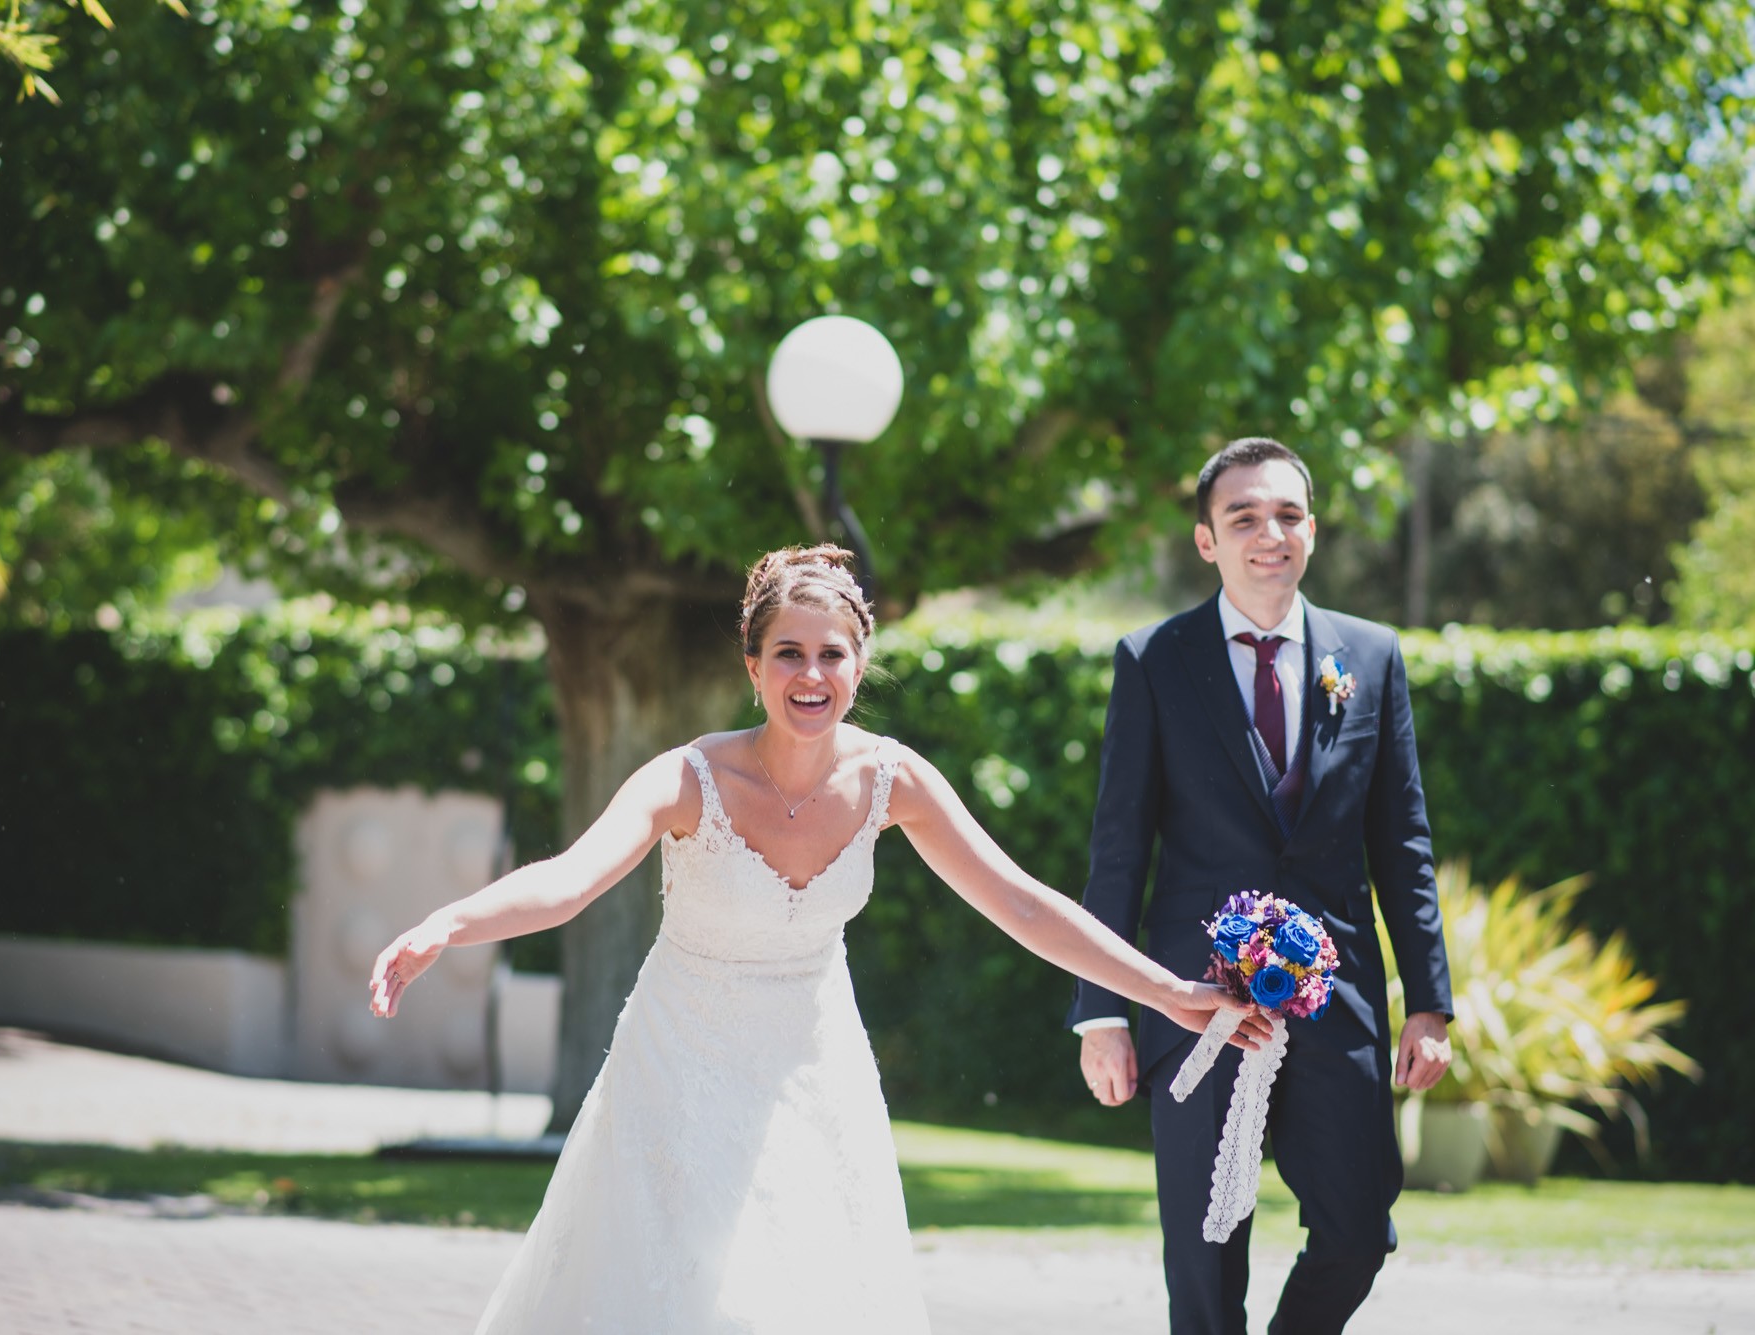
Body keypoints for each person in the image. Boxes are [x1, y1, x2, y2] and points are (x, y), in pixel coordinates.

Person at [371, 544, 1270, 1334]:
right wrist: (448, 923)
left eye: (831, 653)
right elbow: (570, 880)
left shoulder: (893, 778)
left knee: (805, 1295)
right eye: (789, 653)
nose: (812, 674)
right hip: (678, 1067)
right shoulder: (687, 777)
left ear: (859, 661)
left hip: (814, 1068)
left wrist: (1167, 992)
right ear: (753, 666)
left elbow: (1022, 904)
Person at [1067, 438, 1457, 1335]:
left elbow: (1402, 842)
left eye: (1287, 514)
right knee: (1204, 1263)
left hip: (1338, 1001)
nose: (1268, 533)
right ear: (1207, 540)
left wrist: (1429, 1001)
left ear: (1312, 530)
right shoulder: (1154, 659)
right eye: (1243, 517)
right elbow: (1119, 848)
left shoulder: (1372, 655)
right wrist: (1103, 1012)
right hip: (1194, 1002)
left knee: (1358, 1233)